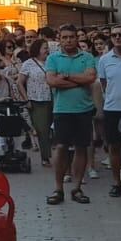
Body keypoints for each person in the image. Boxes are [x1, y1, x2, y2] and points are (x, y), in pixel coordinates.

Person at [44, 25, 97, 206]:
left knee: (81, 148)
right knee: (61, 147)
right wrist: (78, 80)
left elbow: (90, 78)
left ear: (77, 38)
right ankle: (58, 188)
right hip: (62, 110)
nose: (68, 40)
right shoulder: (53, 58)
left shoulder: (87, 57)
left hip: (83, 109)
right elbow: (51, 81)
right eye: (65, 37)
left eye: (72, 37)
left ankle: (77, 187)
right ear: (59, 39)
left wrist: (66, 77)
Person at [95, 33, 121, 198]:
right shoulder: (104, 59)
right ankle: (116, 183)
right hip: (112, 108)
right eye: (114, 35)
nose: (118, 37)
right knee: (114, 146)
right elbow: (103, 83)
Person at [20, 39, 52, 168]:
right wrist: (26, 99)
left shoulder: (51, 61)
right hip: (36, 100)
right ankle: (45, 157)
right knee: (42, 129)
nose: (47, 50)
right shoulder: (28, 64)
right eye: (45, 48)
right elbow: (19, 83)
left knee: (53, 128)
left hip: (53, 98)